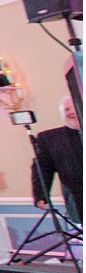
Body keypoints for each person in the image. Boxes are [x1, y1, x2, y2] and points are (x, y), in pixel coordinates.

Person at [32, 95, 82, 224]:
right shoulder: (50, 138)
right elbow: (42, 168)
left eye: (74, 107)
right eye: (66, 109)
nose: (71, 112)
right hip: (80, 202)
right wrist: (41, 195)